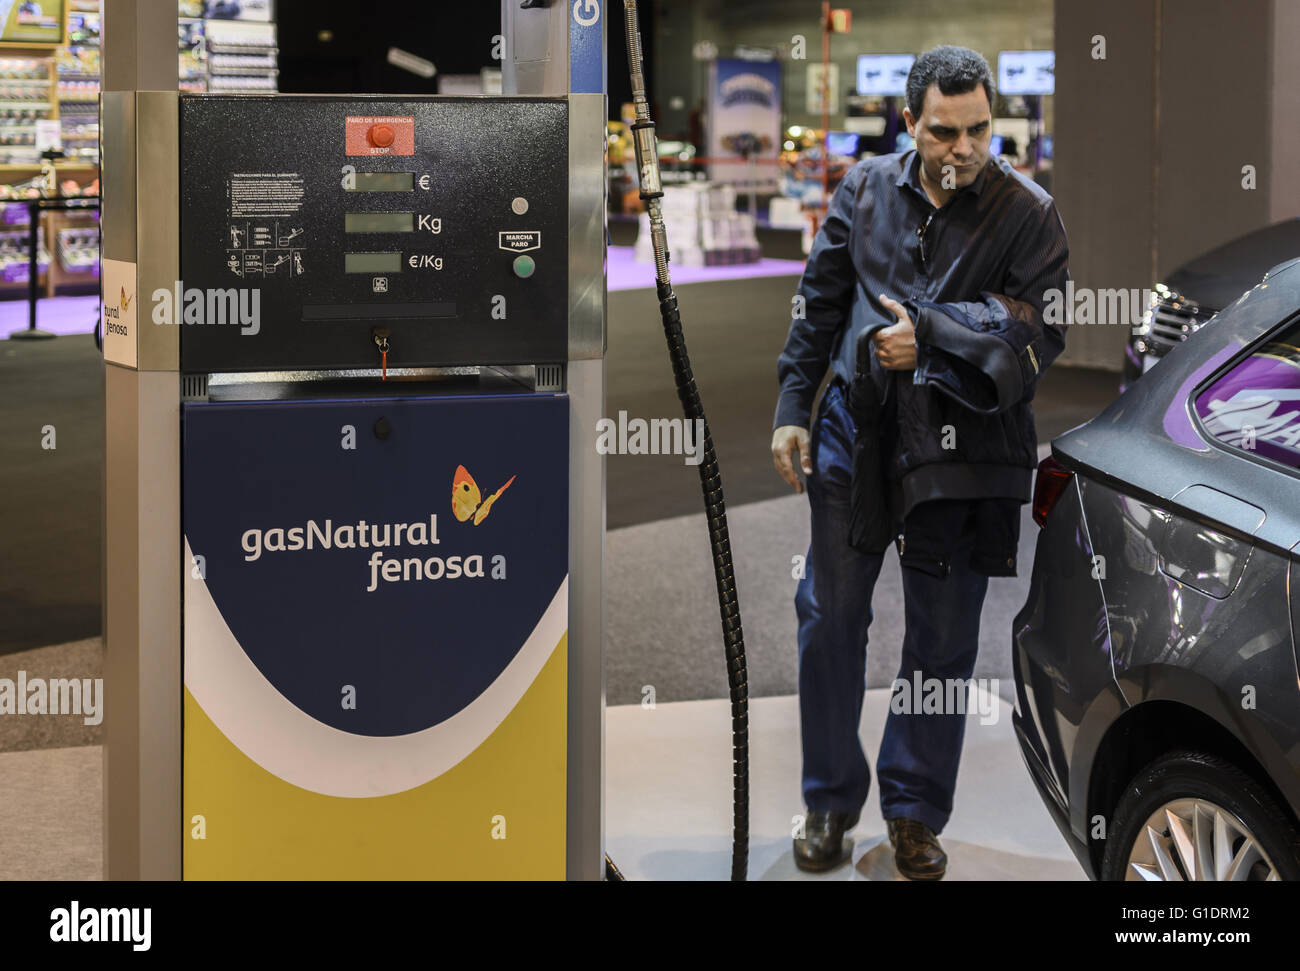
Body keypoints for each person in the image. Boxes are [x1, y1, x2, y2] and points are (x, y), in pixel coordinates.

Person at [771, 45, 1069, 880]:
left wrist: (932, 335)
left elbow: (1041, 329)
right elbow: (819, 299)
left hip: (964, 450)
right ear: (911, 123)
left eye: (979, 130)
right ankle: (829, 799)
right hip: (855, 434)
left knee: (941, 639)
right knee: (829, 618)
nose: (964, 148)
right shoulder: (864, 188)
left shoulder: (1030, 212)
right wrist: (793, 406)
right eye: (944, 132)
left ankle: (913, 811)